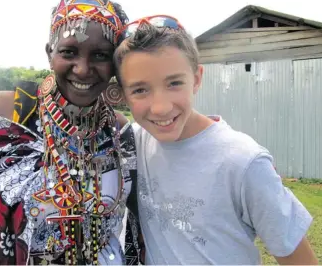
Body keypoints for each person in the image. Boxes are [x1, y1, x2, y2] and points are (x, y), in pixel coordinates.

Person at [0, 0, 141, 265]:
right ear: (49, 53)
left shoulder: (118, 131)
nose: (83, 68)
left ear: (115, 63)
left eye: (100, 55)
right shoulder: (5, 114)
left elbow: (138, 224)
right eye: (69, 52)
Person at [113, 15, 319, 265]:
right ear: (122, 95)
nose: (160, 108)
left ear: (197, 78)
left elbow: (300, 261)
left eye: (174, 83)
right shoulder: (135, 141)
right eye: (140, 90)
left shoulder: (243, 162)